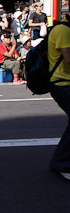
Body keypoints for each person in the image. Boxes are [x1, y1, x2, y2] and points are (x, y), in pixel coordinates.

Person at [46, 17, 70, 181]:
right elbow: (69, 58)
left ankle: (60, 161)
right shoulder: (63, 30)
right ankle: (61, 162)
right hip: (62, 83)